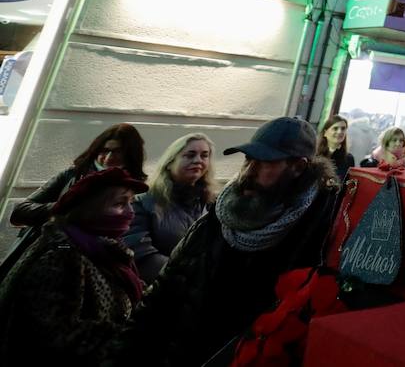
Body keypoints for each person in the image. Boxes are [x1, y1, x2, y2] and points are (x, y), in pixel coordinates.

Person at [108, 117, 341, 367]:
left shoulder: (320, 230)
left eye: (265, 163)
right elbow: (165, 292)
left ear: (298, 167)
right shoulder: (221, 215)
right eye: (248, 159)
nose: (248, 171)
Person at [0, 167, 147, 361]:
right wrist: (132, 338)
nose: (130, 212)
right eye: (120, 203)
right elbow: (53, 336)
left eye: (130, 202)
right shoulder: (62, 256)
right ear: (91, 208)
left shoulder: (104, 249)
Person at [9, 123, 146, 229]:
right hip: (56, 250)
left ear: (130, 155)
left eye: (117, 152)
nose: (109, 158)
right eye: (104, 150)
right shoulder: (72, 174)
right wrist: (63, 207)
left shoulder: (137, 188)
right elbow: (20, 211)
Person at [125, 133, 215, 283]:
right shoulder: (143, 203)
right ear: (169, 162)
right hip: (161, 293)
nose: (198, 160)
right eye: (190, 155)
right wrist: (190, 278)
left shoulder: (212, 204)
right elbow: (141, 255)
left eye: (204, 155)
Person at [317, 115, 355, 180]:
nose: (340, 132)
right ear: (325, 132)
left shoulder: (349, 159)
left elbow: (347, 184)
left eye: (343, 129)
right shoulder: (314, 153)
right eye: (335, 128)